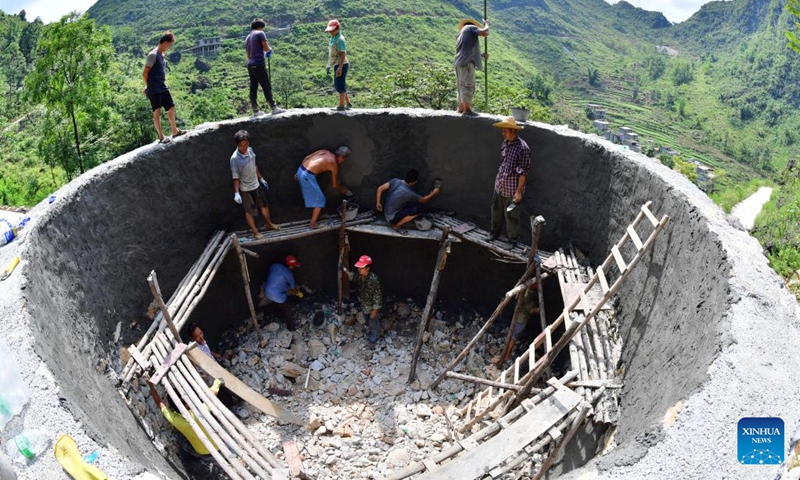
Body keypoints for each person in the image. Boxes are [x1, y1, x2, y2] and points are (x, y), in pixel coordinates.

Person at [147, 376, 222, 458]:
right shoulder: (202, 410)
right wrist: (217, 383)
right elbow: (212, 394)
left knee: (184, 443)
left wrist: (151, 386)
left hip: (203, 453)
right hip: (220, 447)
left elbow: (159, 403)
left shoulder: (175, 419)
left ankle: (194, 458)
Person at [487, 116, 531, 247]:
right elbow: (503, 163)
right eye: (502, 131)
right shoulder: (505, 142)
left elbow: (523, 172)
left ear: (513, 131)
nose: (503, 133)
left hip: (512, 190)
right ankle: (494, 233)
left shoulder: (523, 148)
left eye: (505, 131)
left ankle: (513, 240)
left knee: (511, 216)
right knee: (495, 211)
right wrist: (497, 179)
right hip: (500, 186)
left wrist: (518, 192)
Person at [230, 130, 280, 239]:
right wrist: (236, 193)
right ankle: (255, 232)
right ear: (237, 145)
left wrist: (261, 179)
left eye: (246, 144)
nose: (244, 148)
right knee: (249, 211)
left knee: (264, 205)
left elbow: (254, 165)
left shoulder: (250, 150)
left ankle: (269, 224)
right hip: (245, 189)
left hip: (256, 185)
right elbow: (235, 177)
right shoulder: (234, 159)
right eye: (241, 146)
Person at [143, 31, 186, 144]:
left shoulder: (162, 55)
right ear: (165, 42)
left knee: (171, 107)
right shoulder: (153, 55)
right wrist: (148, 86)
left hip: (162, 86)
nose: (170, 47)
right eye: (170, 44)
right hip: (154, 88)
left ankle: (174, 131)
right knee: (157, 111)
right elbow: (145, 73)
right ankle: (161, 137)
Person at [295, 147, 353, 228]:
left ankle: (318, 216)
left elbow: (307, 158)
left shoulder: (324, 151)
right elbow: (335, 185)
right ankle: (313, 224)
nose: (343, 162)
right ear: (341, 157)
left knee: (317, 196)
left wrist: (298, 173)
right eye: (344, 160)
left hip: (301, 169)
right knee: (320, 199)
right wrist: (344, 190)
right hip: (307, 175)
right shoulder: (333, 164)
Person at [376, 169, 441, 234]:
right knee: (416, 210)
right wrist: (433, 194)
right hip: (392, 218)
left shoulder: (395, 181)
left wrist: (378, 203)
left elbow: (380, 188)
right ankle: (397, 226)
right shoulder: (408, 193)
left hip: (387, 212)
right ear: (414, 182)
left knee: (412, 203)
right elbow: (423, 200)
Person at [245, 18, 285, 116]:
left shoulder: (248, 37)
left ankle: (255, 111)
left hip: (250, 64)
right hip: (259, 64)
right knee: (266, 85)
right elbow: (266, 48)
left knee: (253, 87)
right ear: (260, 27)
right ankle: (274, 108)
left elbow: (248, 54)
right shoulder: (260, 33)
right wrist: (268, 50)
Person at [454, 19, 489, 116]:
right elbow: (485, 32)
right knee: (468, 84)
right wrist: (487, 24)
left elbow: (466, 51)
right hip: (467, 63)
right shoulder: (470, 28)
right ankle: (467, 110)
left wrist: (481, 56)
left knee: (460, 85)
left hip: (459, 63)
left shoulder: (461, 35)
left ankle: (460, 108)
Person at [345, 255, 383, 344]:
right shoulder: (361, 277)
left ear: (368, 268)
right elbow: (353, 277)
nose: (359, 269)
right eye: (359, 267)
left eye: (361, 268)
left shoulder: (373, 279)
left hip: (372, 305)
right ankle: (372, 331)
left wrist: (375, 309)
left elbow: (378, 295)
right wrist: (344, 270)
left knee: (373, 321)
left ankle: (374, 337)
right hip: (364, 304)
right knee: (367, 320)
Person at [259, 255, 303, 331]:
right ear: (290, 266)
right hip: (275, 295)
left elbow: (275, 278)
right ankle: (291, 327)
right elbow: (293, 290)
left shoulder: (274, 266)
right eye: (293, 266)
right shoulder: (289, 275)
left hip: (266, 291)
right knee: (287, 308)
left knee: (277, 303)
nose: (294, 268)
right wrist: (298, 293)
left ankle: (276, 315)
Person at [501, 286, 538, 364]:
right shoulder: (527, 294)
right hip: (521, 318)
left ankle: (505, 353)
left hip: (521, 317)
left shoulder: (528, 292)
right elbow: (524, 307)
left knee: (513, 336)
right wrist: (533, 310)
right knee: (514, 337)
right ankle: (507, 354)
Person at [325, 19, 352, 111]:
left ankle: (341, 106)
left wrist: (340, 68)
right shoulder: (333, 38)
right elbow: (331, 53)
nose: (330, 32)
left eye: (332, 30)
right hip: (336, 63)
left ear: (337, 28)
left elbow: (342, 54)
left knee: (339, 85)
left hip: (342, 64)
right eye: (330, 30)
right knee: (340, 84)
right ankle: (348, 103)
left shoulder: (340, 39)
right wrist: (328, 65)